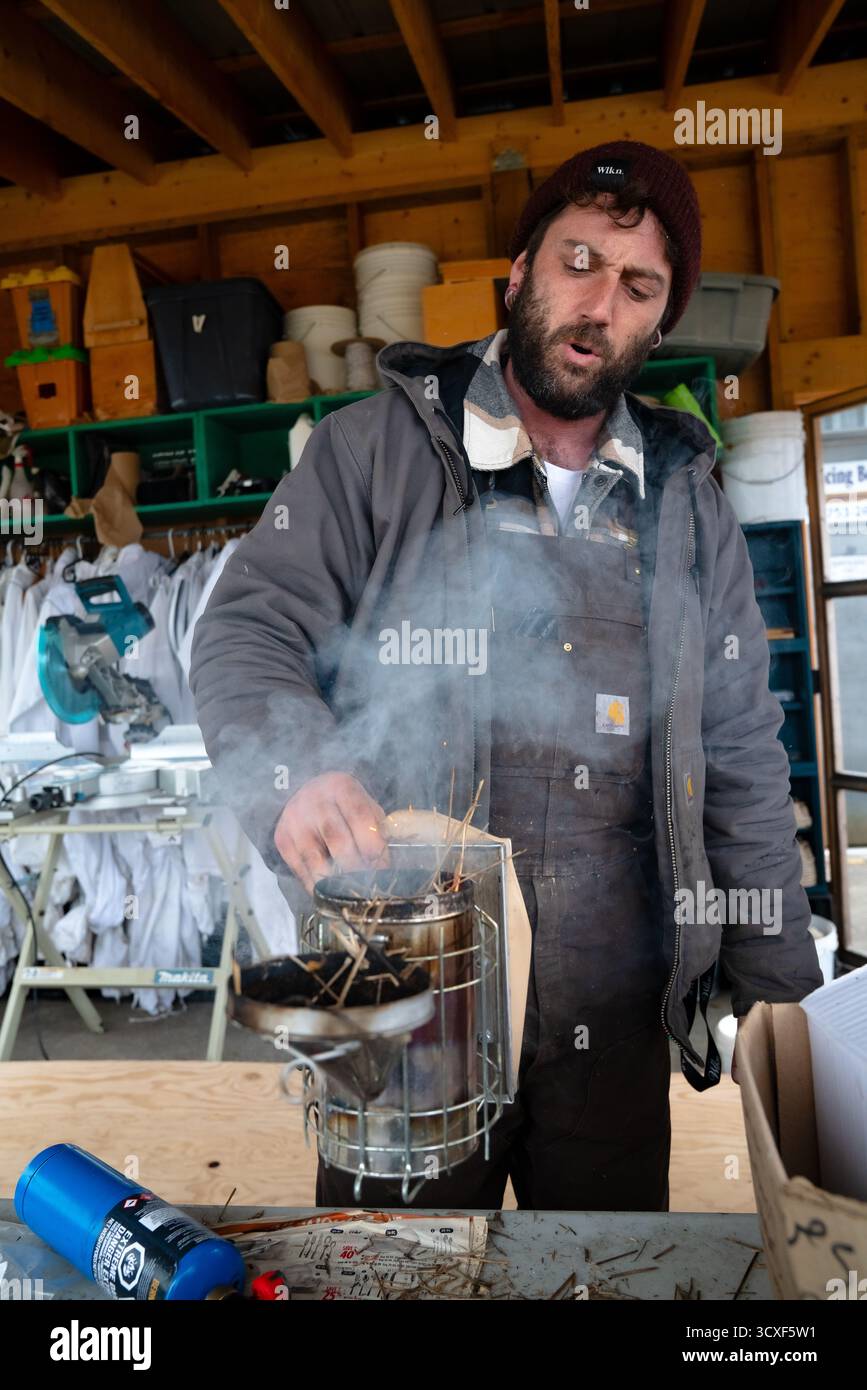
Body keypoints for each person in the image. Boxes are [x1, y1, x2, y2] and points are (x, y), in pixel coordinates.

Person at [190, 140, 822, 1211]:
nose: (599, 304)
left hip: (613, 1018)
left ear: (659, 322)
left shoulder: (686, 500)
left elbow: (740, 748)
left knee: (602, 1275)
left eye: (637, 286)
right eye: (579, 261)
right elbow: (246, 629)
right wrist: (298, 767)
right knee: (399, 1278)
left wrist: (781, 995)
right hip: (404, 1001)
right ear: (519, 270)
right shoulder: (368, 453)